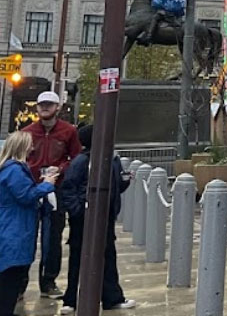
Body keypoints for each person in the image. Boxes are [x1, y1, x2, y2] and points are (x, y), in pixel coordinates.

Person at [59, 125, 135, 313]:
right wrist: (78, 211)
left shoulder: (111, 160)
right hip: (84, 219)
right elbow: (68, 187)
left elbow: (114, 186)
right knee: (79, 258)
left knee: (108, 257)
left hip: (106, 217)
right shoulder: (82, 161)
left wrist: (124, 183)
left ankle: (112, 297)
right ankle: (72, 299)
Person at [22, 90, 81, 300]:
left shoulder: (68, 131)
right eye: (41, 104)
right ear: (37, 107)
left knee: (52, 238)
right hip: (31, 189)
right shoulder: (27, 132)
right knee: (25, 236)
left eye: (49, 104)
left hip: (57, 190)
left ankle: (48, 282)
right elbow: (19, 158)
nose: (44, 108)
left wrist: (60, 170)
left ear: (57, 108)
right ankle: (20, 284)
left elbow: (76, 157)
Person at [0, 132, 58, 316]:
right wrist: (47, 184)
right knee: (10, 277)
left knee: (11, 277)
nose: (33, 148)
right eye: (31, 145)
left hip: (12, 225)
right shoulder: (15, 170)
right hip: (14, 228)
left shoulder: (9, 169)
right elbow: (26, 196)